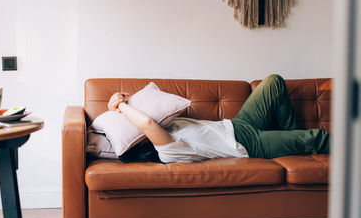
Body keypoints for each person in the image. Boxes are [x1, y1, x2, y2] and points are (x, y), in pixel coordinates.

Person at [108, 74, 330, 163]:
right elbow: (145, 124)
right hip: (247, 144)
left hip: (238, 124)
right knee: (317, 137)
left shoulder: (167, 123)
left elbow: (147, 113)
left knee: (273, 81)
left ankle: (290, 138)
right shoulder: (167, 151)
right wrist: (120, 107)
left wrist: (119, 102)